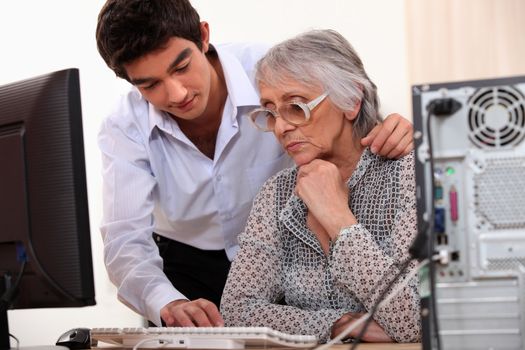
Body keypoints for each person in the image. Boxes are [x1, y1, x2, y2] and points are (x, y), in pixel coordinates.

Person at [95, 0, 415, 328]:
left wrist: (395, 130)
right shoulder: (125, 126)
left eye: (181, 67)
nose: (177, 93)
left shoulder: (270, 72)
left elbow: (351, 108)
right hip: (185, 265)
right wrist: (166, 300)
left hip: (281, 259)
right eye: (150, 85)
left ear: (203, 36)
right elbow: (125, 237)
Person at [220, 29, 420, 343]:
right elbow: (236, 312)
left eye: (296, 107)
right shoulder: (277, 193)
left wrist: (338, 219)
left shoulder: (408, 175)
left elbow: (414, 322)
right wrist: (337, 324)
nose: (282, 127)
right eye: (270, 112)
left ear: (351, 101)